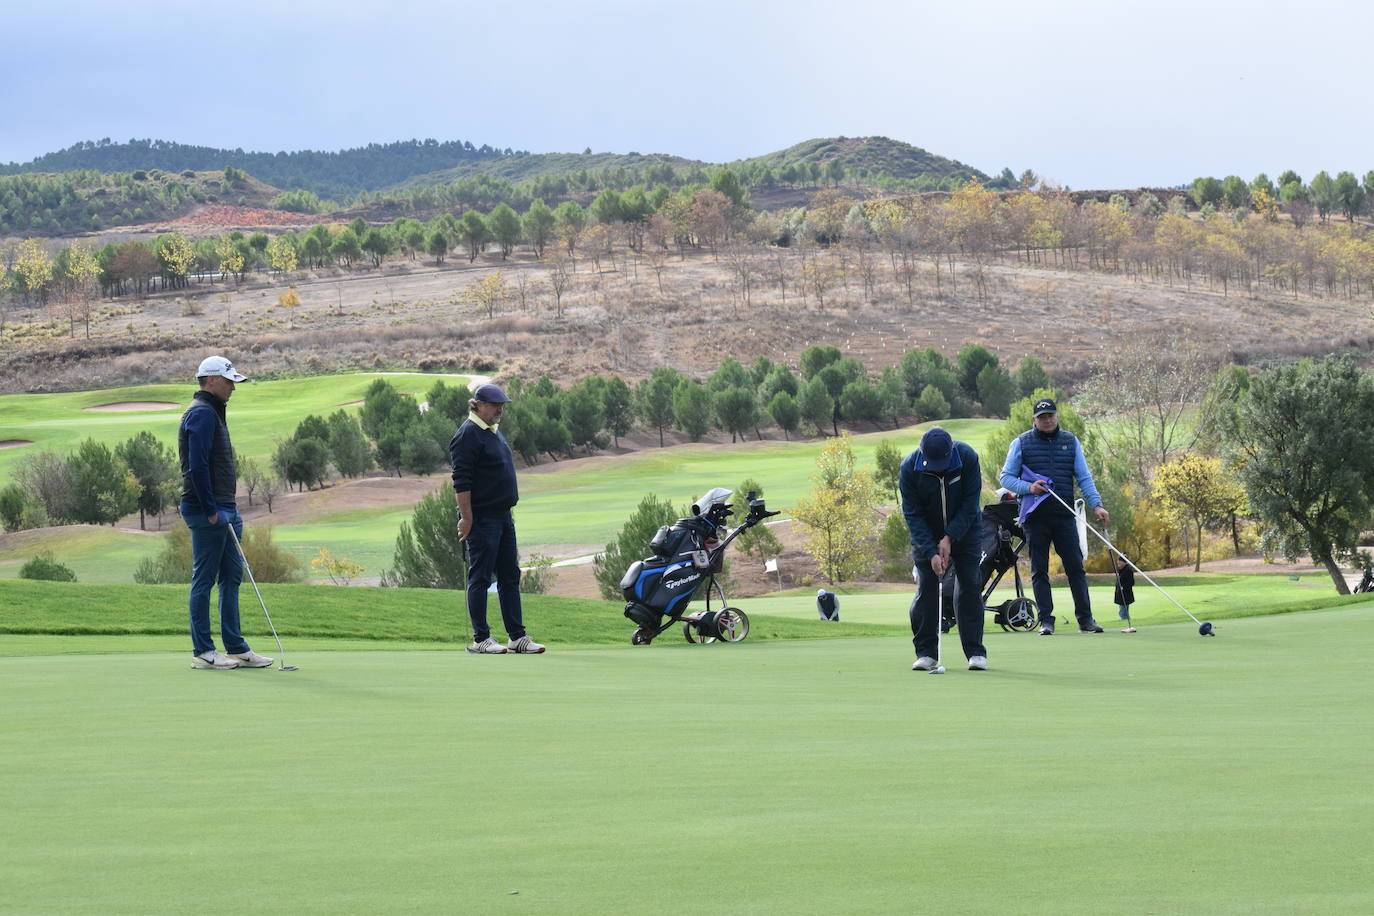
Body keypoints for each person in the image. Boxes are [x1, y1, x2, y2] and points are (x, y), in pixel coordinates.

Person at [178, 356, 273, 670]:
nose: (233, 387)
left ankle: (236, 647)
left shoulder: (214, 412)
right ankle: (203, 651)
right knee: (204, 579)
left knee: (231, 577)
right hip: (209, 511)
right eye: (229, 380)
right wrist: (211, 510)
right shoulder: (202, 414)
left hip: (225, 508)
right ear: (210, 381)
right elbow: (197, 466)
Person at [999, 397, 1110, 635]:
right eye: (1042, 417)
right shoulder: (1021, 443)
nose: (1047, 420)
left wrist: (1097, 505)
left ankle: (1086, 620)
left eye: (1050, 415)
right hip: (1035, 517)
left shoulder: (1070, 441)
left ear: (1056, 416)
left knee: (1075, 568)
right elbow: (1006, 478)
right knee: (1040, 570)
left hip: (1064, 515)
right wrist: (1029, 488)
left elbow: (1084, 477)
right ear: (1034, 420)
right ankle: (1046, 620)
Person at [449, 383, 545, 655]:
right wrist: (466, 518)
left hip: (503, 516)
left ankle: (517, 637)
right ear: (477, 405)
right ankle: (482, 638)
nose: (500, 409)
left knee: (509, 577)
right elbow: (461, 482)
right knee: (480, 577)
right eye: (494, 405)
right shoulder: (468, 435)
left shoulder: (492, 432)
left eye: (502, 404)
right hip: (481, 518)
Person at [899, 426, 987, 671]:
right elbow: (913, 515)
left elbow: (971, 504)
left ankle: (975, 652)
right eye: (933, 462)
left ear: (951, 451)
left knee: (969, 584)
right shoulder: (909, 468)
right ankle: (926, 653)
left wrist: (949, 538)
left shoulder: (967, 457)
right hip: (927, 533)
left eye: (943, 462)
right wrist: (930, 551)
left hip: (966, 530)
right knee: (927, 586)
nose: (938, 467)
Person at [1114, 554, 1136, 633]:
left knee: (1123, 612)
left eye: (1120, 562)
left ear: (1125, 562)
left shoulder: (1128, 570)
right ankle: (1127, 625)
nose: (1118, 563)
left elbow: (1131, 582)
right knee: (1123, 611)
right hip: (1121, 594)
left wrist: (1123, 587)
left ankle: (1127, 625)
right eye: (1118, 562)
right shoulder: (1122, 570)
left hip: (1125, 595)